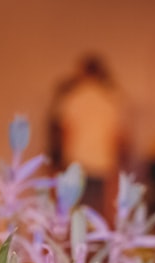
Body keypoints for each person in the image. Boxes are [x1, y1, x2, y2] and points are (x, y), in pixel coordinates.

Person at [47, 53, 129, 220]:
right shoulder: (111, 99)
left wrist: (61, 162)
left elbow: (66, 131)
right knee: (99, 216)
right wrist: (116, 166)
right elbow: (118, 136)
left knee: (73, 213)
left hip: (77, 162)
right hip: (103, 164)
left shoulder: (73, 98)